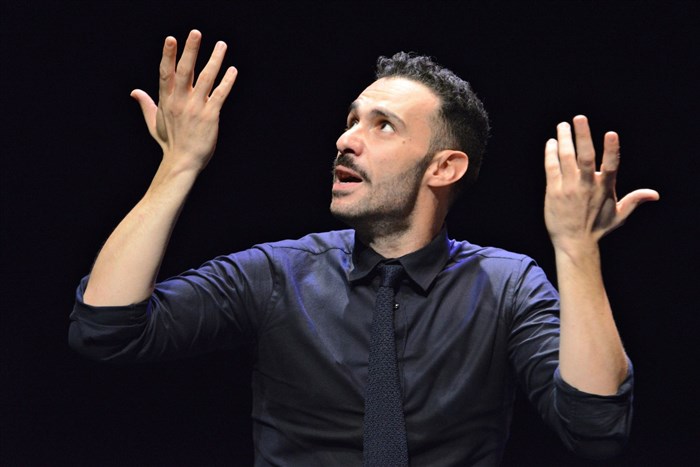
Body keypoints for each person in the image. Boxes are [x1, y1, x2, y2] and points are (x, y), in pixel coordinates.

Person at [69, 30, 659, 466]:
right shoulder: (279, 272)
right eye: (351, 119)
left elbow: (596, 428)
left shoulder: (507, 286)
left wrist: (577, 249)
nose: (345, 139)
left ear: (444, 167)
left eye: (382, 126)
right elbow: (104, 330)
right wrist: (178, 166)